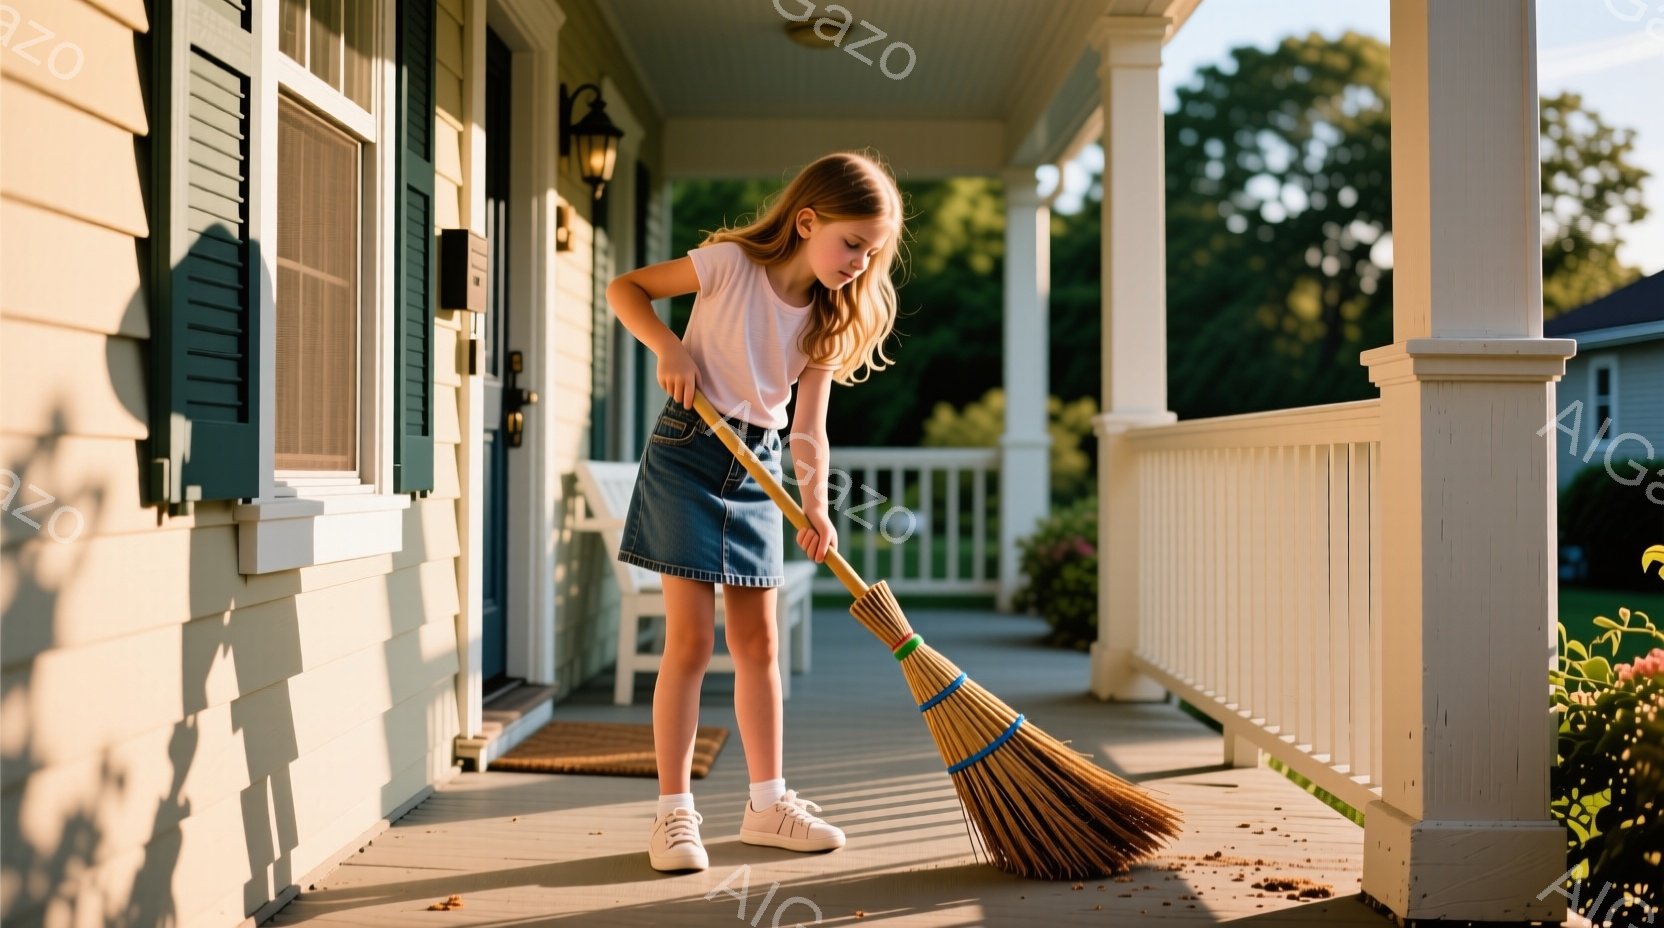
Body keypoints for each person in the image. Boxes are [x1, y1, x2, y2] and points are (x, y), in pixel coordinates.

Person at [604, 150, 905, 872]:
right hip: (687, 451)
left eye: (873, 251)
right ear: (807, 221)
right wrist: (668, 345)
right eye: (852, 243)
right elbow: (626, 289)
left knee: (759, 646)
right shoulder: (729, 263)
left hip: (760, 466)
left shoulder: (829, 319)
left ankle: (766, 805)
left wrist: (815, 505)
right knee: (691, 643)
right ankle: (673, 815)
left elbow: (808, 429)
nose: (861, 262)